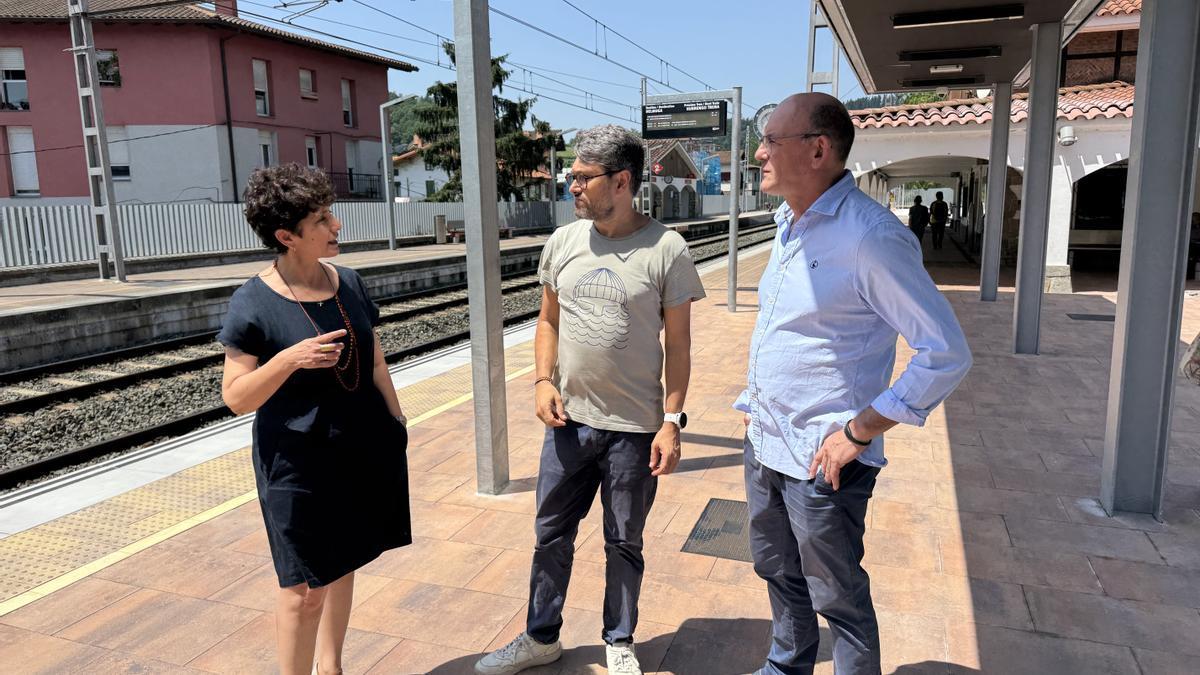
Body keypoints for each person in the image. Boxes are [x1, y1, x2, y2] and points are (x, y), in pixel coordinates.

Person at [734, 93, 972, 674]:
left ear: (817, 150)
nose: (758, 153)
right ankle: (786, 666)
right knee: (777, 571)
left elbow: (945, 353)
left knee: (837, 598)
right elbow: (794, 332)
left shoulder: (870, 237)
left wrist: (859, 431)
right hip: (767, 442)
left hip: (825, 459)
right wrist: (756, 401)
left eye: (770, 141)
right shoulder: (789, 223)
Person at [475, 125, 705, 675]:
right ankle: (540, 637)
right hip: (569, 424)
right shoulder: (563, 241)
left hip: (635, 429)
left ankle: (619, 641)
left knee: (624, 541)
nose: (571, 186)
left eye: (582, 177)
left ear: (621, 181)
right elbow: (547, 321)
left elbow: (678, 345)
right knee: (550, 534)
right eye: (571, 176)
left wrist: (671, 421)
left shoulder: (666, 249)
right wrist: (542, 380)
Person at [218, 164, 411, 675]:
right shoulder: (252, 302)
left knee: (345, 560)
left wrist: (396, 421)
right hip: (296, 465)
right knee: (303, 590)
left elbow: (374, 360)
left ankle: (332, 667)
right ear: (287, 237)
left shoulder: (350, 283)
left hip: (358, 447)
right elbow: (235, 397)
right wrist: (289, 359)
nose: (336, 225)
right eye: (322, 219)